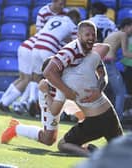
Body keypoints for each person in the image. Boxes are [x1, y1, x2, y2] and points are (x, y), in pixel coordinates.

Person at [43, 20, 123, 157]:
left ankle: (94, 156)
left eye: (93, 35)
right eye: (88, 35)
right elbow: (105, 48)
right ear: (78, 36)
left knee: (63, 144)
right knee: (125, 153)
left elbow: (48, 75)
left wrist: (47, 92)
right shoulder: (81, 57)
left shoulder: (83, 62)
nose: (91, 38)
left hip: (95, 120)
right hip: (109, 114)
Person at [0, 33, 39, 112]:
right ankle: (5, 103)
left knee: (22, 78)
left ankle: (2, 101)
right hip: (31, 49)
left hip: (24, 45)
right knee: (27, 79)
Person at [103, 17, 132, 120]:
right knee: (120, 92)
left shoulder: (115, 33)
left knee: (108, 92)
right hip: (108, 64)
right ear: (127, 26)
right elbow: (126, 53)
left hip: (104, 63)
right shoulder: (123, 34)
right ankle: (118, 119)